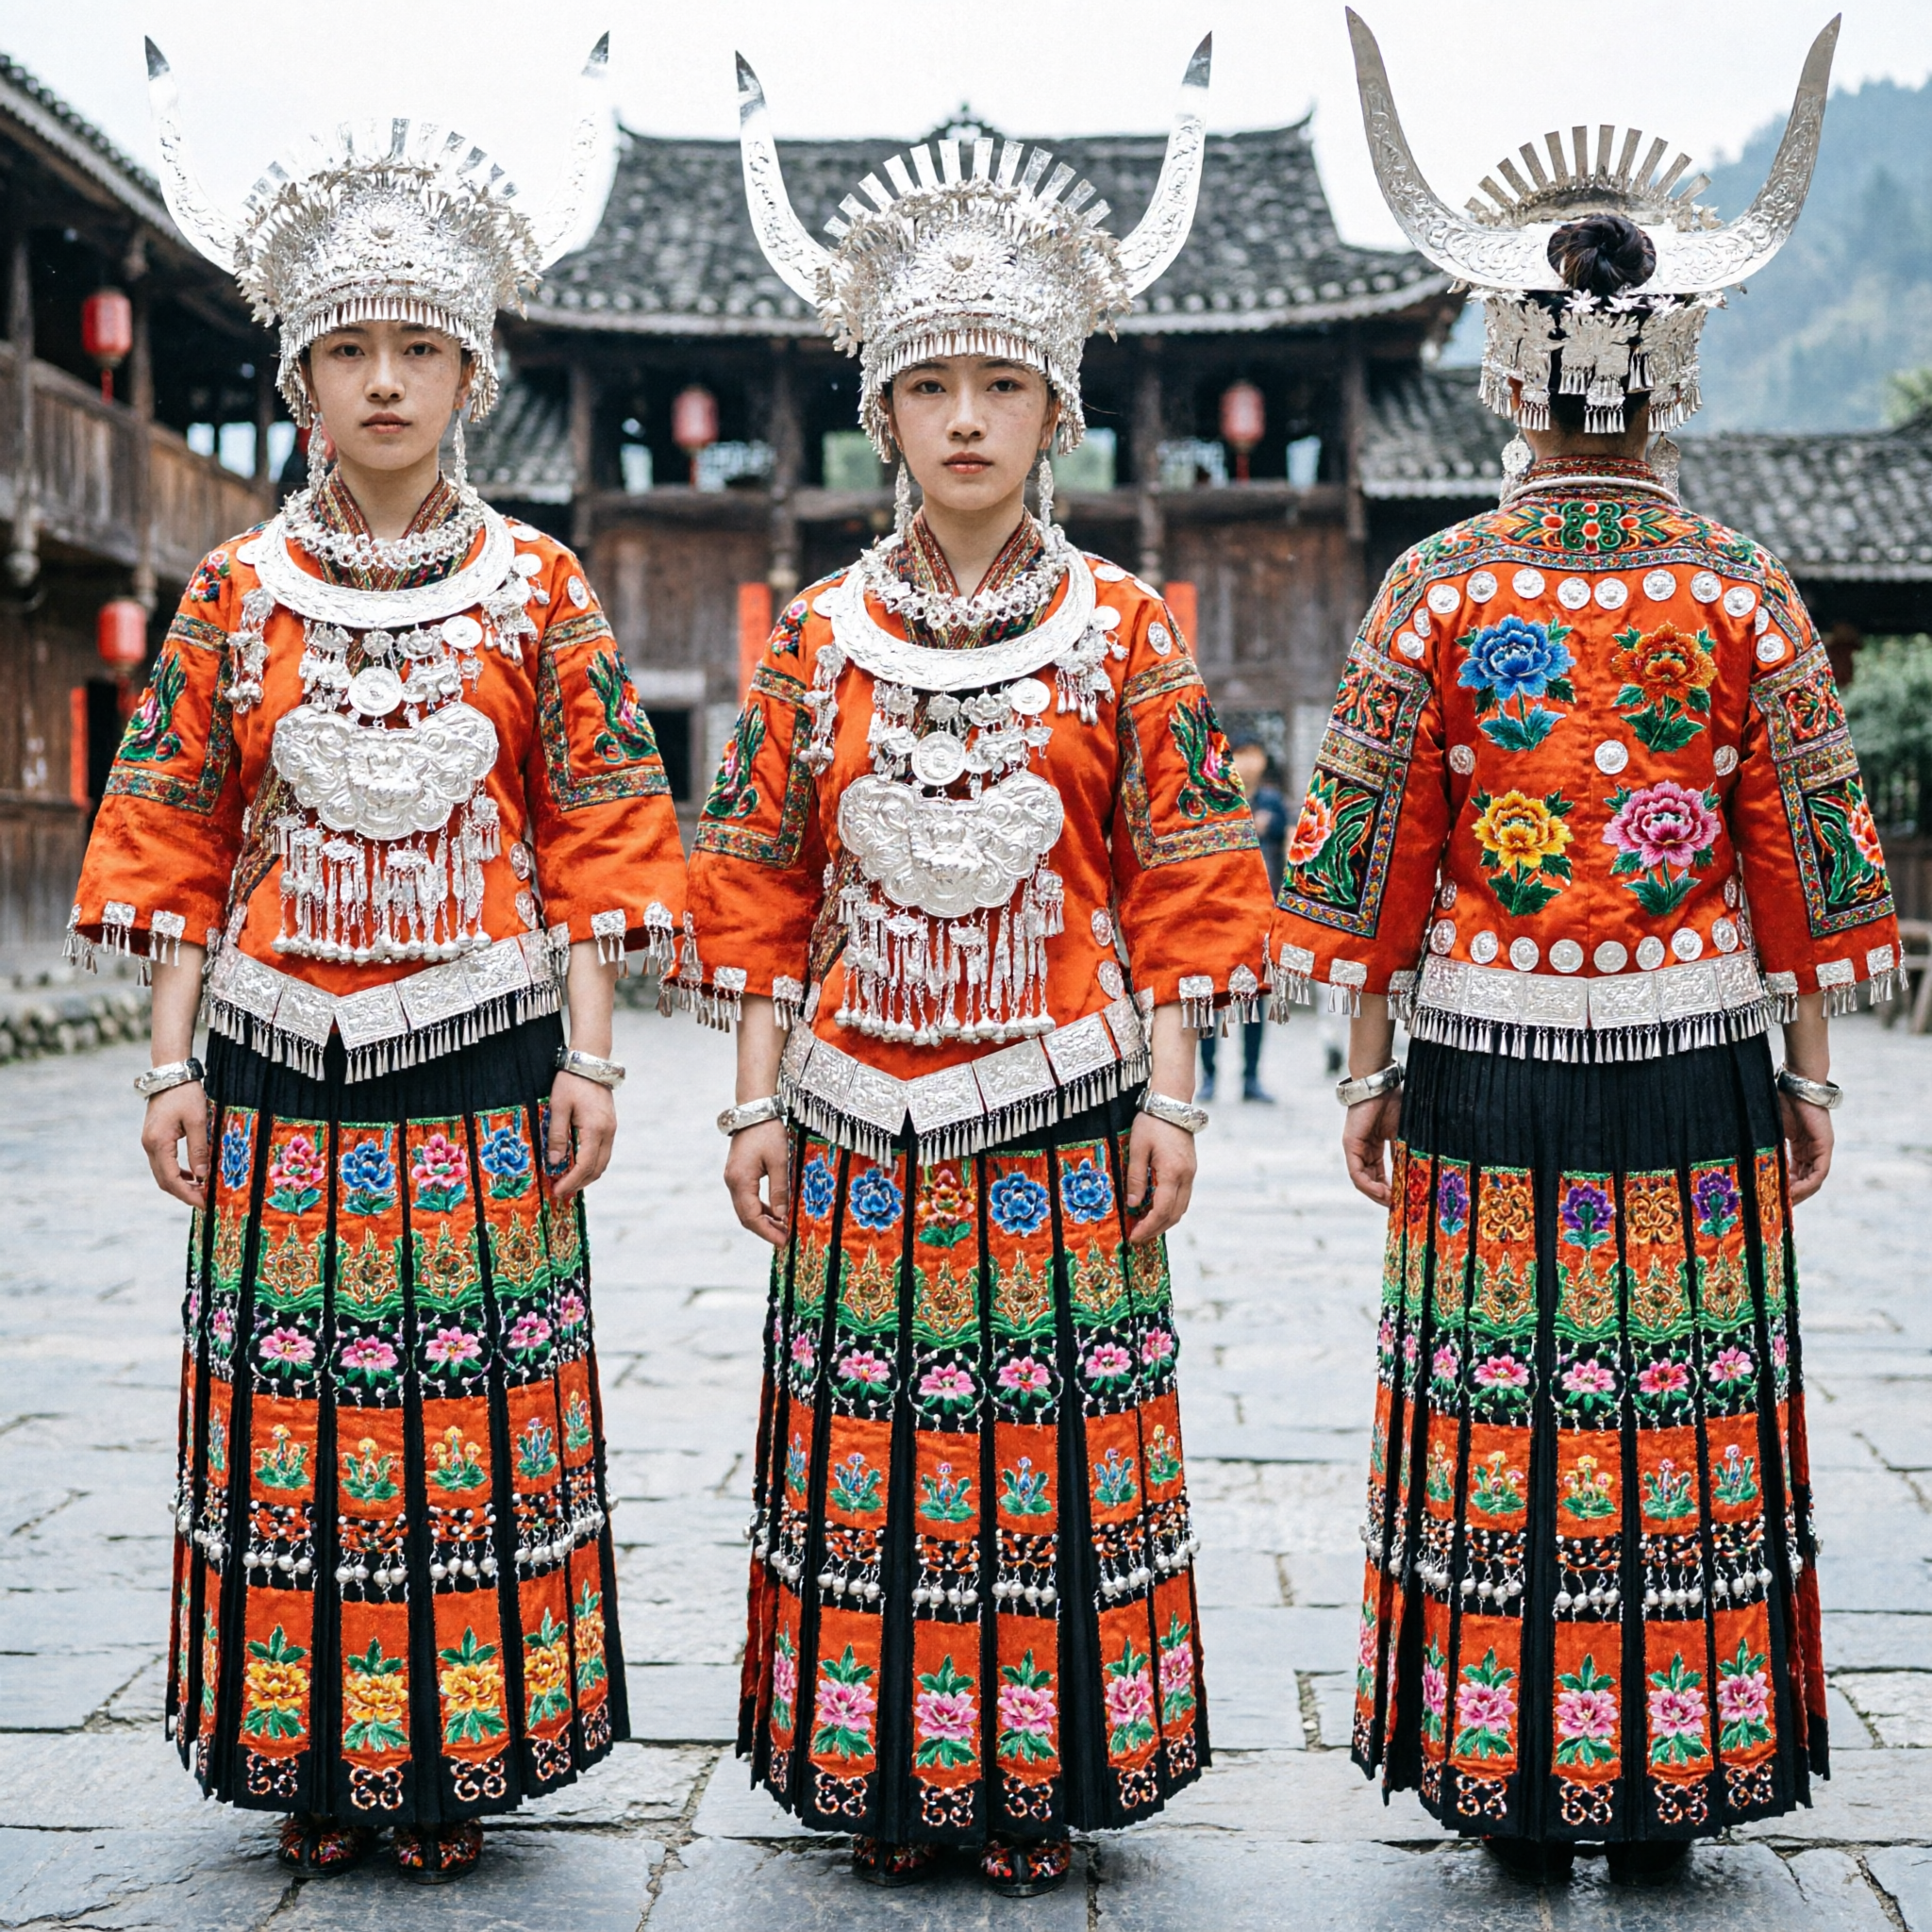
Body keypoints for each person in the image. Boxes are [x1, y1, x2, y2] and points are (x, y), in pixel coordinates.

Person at [1266, 15, 1898, 1888]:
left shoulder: (1434, 588)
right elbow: (1797, 854)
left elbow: (1374, 857)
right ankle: (1673, 1768)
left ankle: (1505, 1765)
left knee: (1498, 1388)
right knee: (1679, 1387)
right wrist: (1807, 1076)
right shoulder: (1742, 587)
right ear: (1671, 373)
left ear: (1499, 375)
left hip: (1481, 1056)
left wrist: (1368, 1074)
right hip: (1695, 1057)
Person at [66, 42, 687, 1884]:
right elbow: (174, 826)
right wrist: (171, 1062)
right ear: (306, 381)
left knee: (463, 1406)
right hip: (273, 1054)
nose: (388, 381)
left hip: (483, 1050)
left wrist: (591, 1056)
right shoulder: (235, 595)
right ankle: (311, 1759)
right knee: (301, 1408)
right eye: (352, 352)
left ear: (472, 376)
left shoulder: (540, 592)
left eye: (420, 349)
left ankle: (459, 1761)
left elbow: (592, 827)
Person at [680, 42, 1273, 1896]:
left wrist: (1174, 1092)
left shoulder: (1125, 633)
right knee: (877, 1439)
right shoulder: (811, 639)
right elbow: (764, 883)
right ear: (879, 409)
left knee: (1042, 1444)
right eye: (927, 383)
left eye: (996, 384)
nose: (961, 418)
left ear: (1053, 408)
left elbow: (1179, 875)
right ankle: (876, 1769)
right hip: (855, 1112)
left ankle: (1035, 1778)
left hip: (1064, 1104)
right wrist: (751, 1089)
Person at [1199, 738, 1285, 1102]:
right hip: (1218, 914)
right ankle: (1208, 1076)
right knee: (1209, 999)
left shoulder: (1273, 803)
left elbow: (1285, 838)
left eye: (1254, 754)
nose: (1248, 763)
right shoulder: (1215, 801)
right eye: (1240, 756)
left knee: (1253, 998)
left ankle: (1250, 1077)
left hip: (1260, 916)